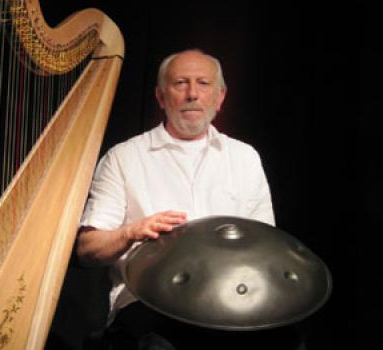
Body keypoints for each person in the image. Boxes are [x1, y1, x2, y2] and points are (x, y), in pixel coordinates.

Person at [77, 49, 303, 349]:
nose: (192, 94)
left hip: (230, 304)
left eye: (204, 84)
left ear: (220, 97)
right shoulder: (123, 157)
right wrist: (131, 232)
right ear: (160, 96)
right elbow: (87, 250)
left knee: (287, 337)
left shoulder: (244, 157)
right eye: (180, 83)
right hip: (148, 305)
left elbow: (263, 245)